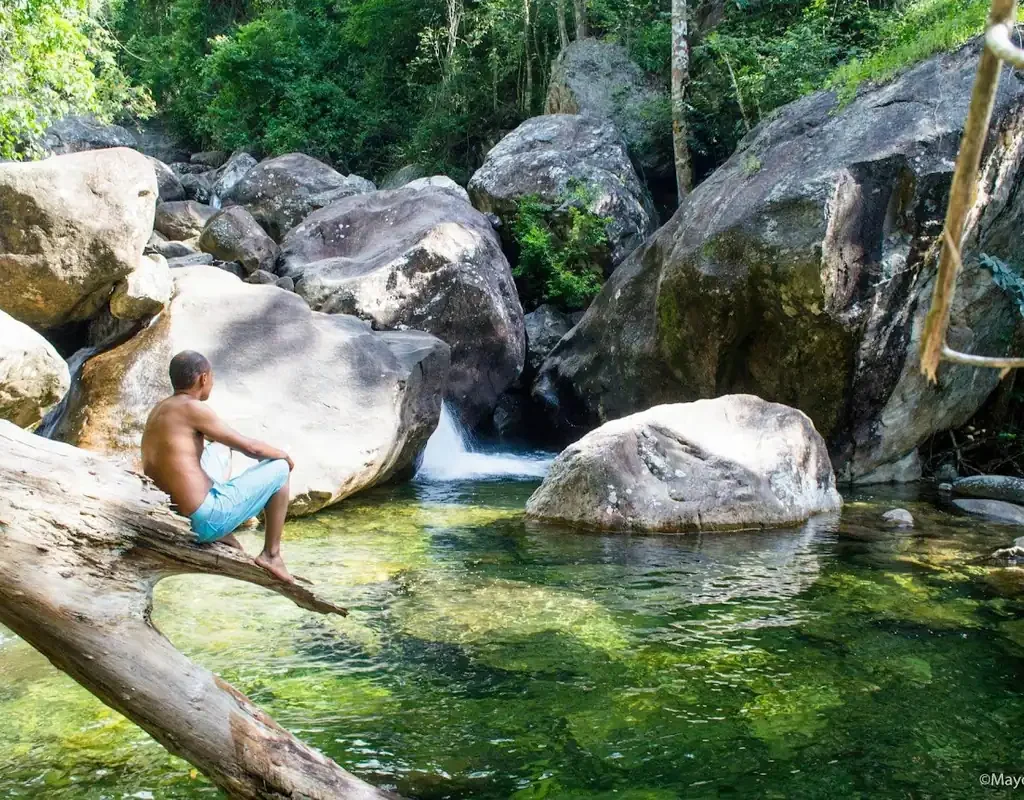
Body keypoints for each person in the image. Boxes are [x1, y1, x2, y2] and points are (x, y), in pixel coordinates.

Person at [141, 350, 296, 583]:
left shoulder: (160, 408)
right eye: (211, 378)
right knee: (280, 469)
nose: (211, 383)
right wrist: (283, 456)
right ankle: (271, 555)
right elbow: (251, 448)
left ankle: (222, 532)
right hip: (201, 521)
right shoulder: (193, 408)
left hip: (172, 514)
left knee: (220, 448)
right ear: (203, 378)